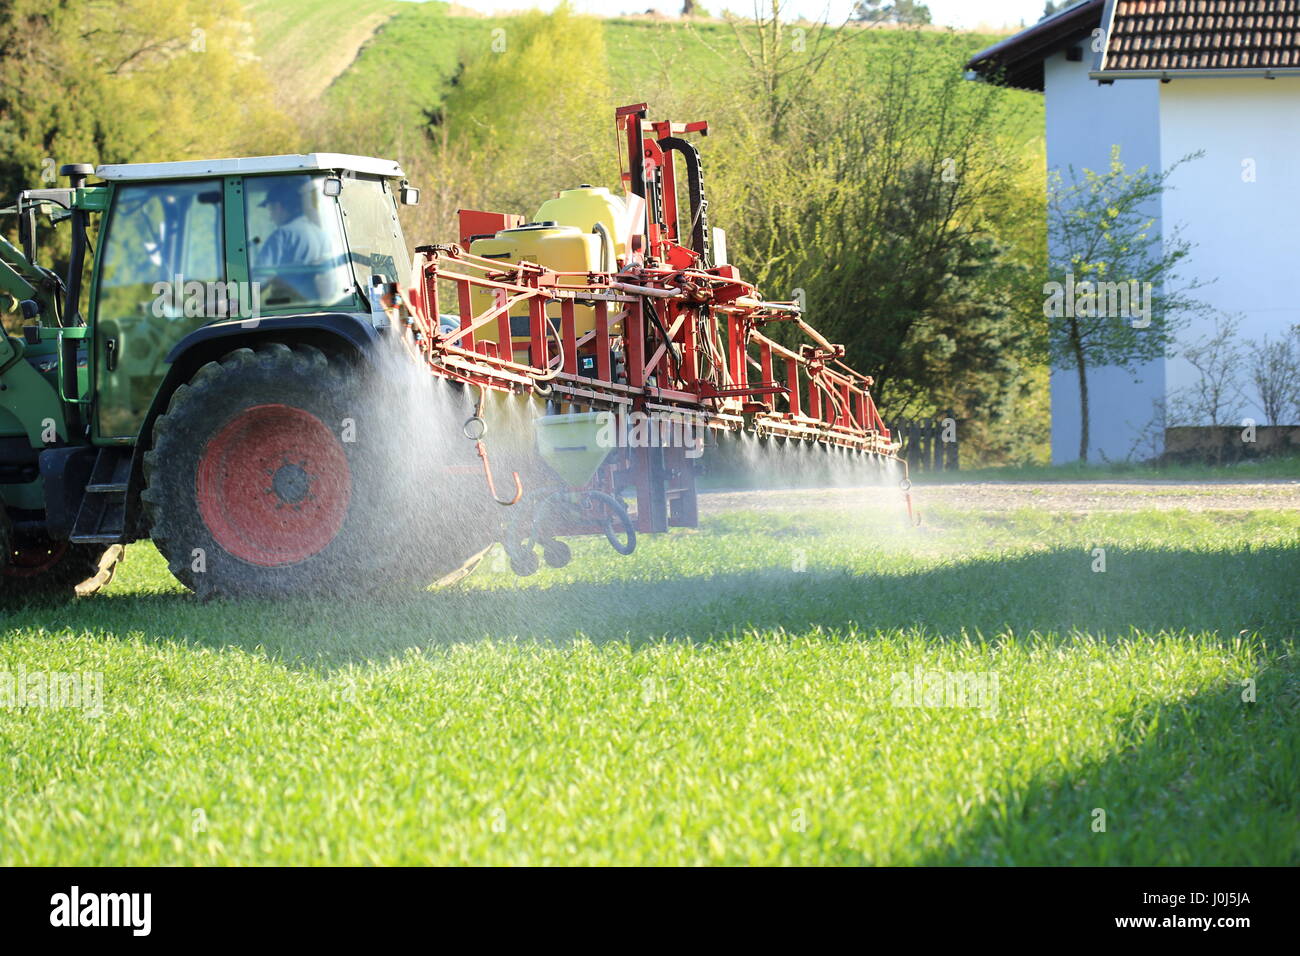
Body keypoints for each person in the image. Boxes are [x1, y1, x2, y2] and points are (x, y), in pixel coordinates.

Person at [257, 180, 332, 268]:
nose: (271, 219)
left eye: (271, 210)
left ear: (278, 207)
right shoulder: (320, 234)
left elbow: (259, 277)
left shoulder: (282, 235)